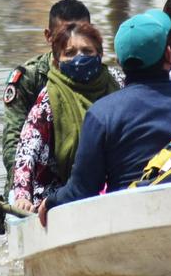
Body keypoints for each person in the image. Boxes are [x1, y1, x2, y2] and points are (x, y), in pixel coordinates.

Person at [36, 9, 171, 225]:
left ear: (120, 62)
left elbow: (82, 190)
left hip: (127, 222)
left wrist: (51, 202)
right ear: (168, 55)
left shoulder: (102, 114)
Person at [10, 21, 120, 212]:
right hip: (57, 195)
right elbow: (27, 151)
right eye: (70, 53)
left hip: (114, 189)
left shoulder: (117, 84)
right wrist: (22, 197)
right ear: (56, 61)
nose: (80, 58)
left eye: (87, 51)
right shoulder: (50, 97)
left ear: (100, 55)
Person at [2, 0, 93, 192]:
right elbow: (14, 144)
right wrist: (23, 191)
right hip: (34, 182)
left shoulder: (102, 78)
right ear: (48, 36)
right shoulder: (29, 79)